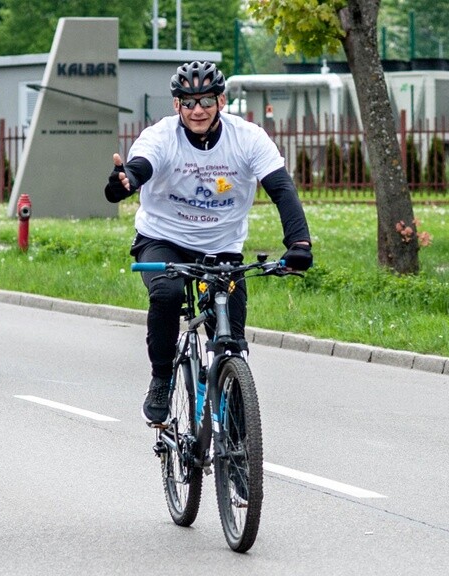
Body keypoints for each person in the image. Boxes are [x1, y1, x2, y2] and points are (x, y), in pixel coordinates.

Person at [104, 61, 313, 424]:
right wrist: (127, 180)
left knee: (229, 335)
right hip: (163, 240)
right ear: (176, 106)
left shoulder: (247, 138)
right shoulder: (161, 136)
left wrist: (300, 243)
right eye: (188, 102)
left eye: (205, 101)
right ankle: (162, 377)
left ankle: (235, 430)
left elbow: (281, 188)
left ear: (221, 100)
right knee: (167, 294)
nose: (197, 110)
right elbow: (141, 166)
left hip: (222, 247)